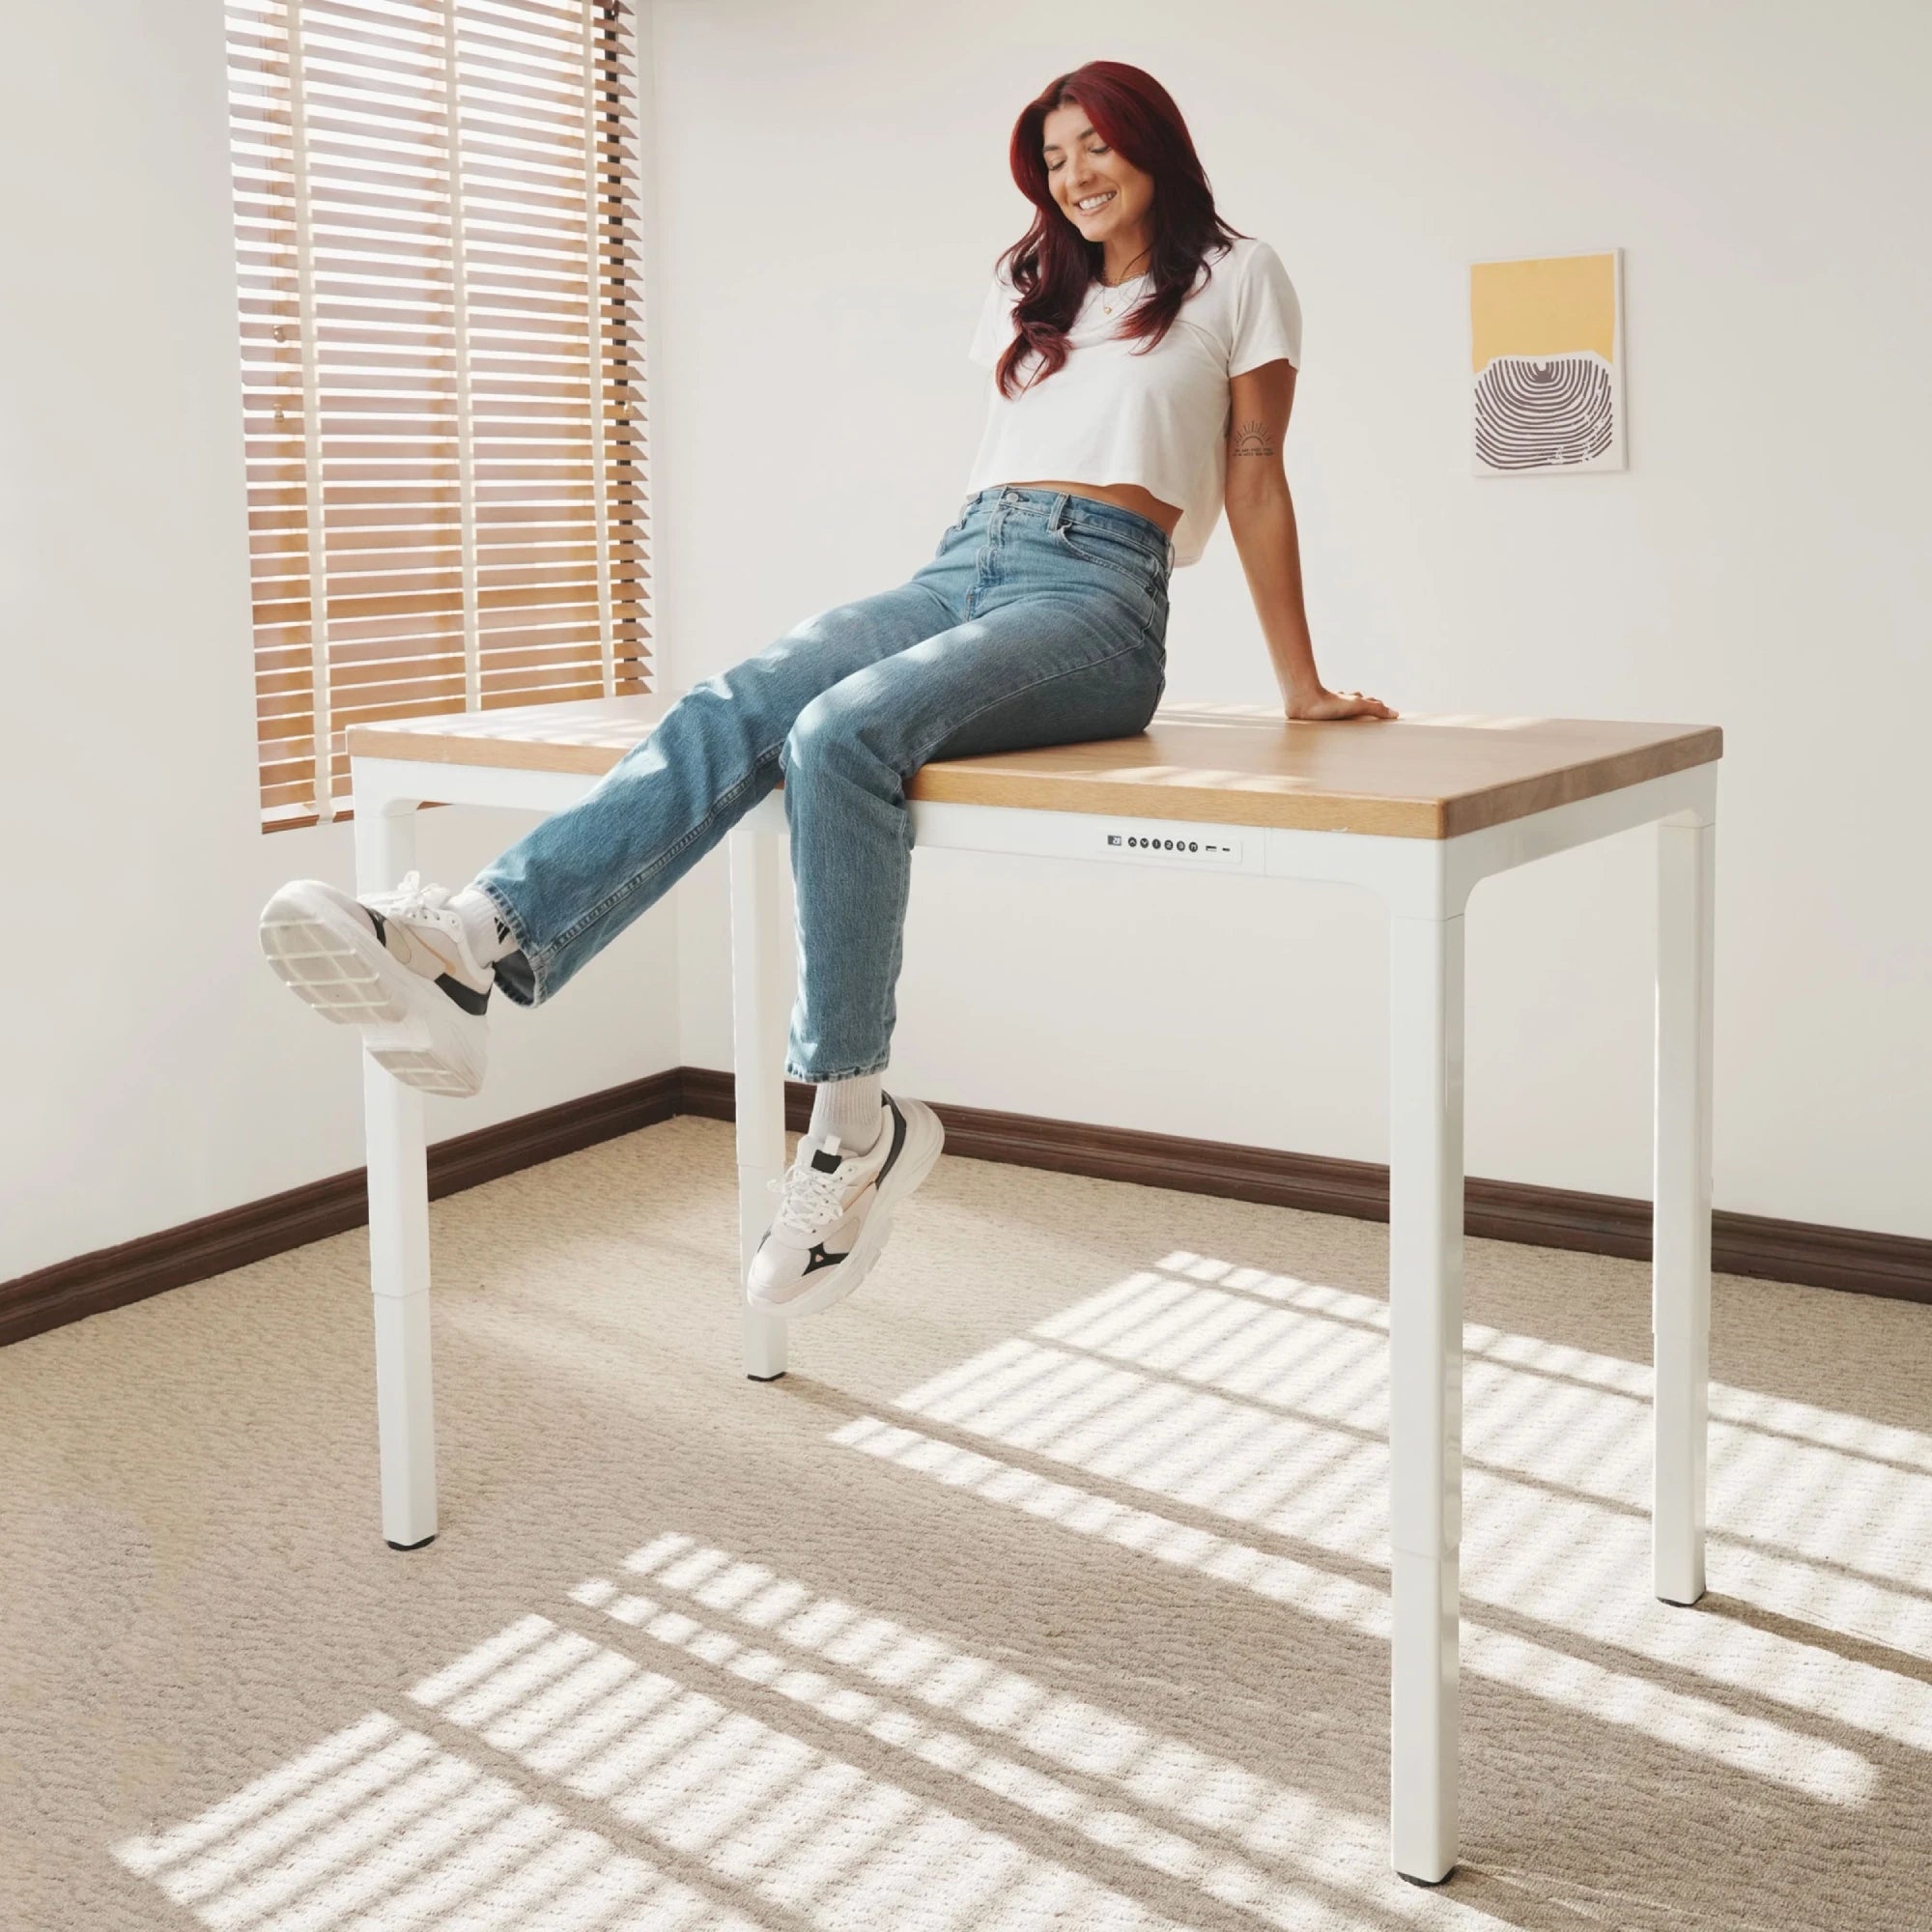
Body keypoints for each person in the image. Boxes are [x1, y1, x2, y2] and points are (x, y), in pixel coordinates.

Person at [258, 59, 1395, 1325]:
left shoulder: (1240, 277)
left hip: (1099, 598)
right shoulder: (1028, 284)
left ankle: (850, 1126)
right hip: (963, 563)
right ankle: (477, 939)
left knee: (841, 731)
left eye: (1096, 146)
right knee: (747, 697)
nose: (1075, 173)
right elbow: (1018, 455)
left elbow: (1252, 477)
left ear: (1153, 145)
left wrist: (1301, 686)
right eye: (1055, 154)